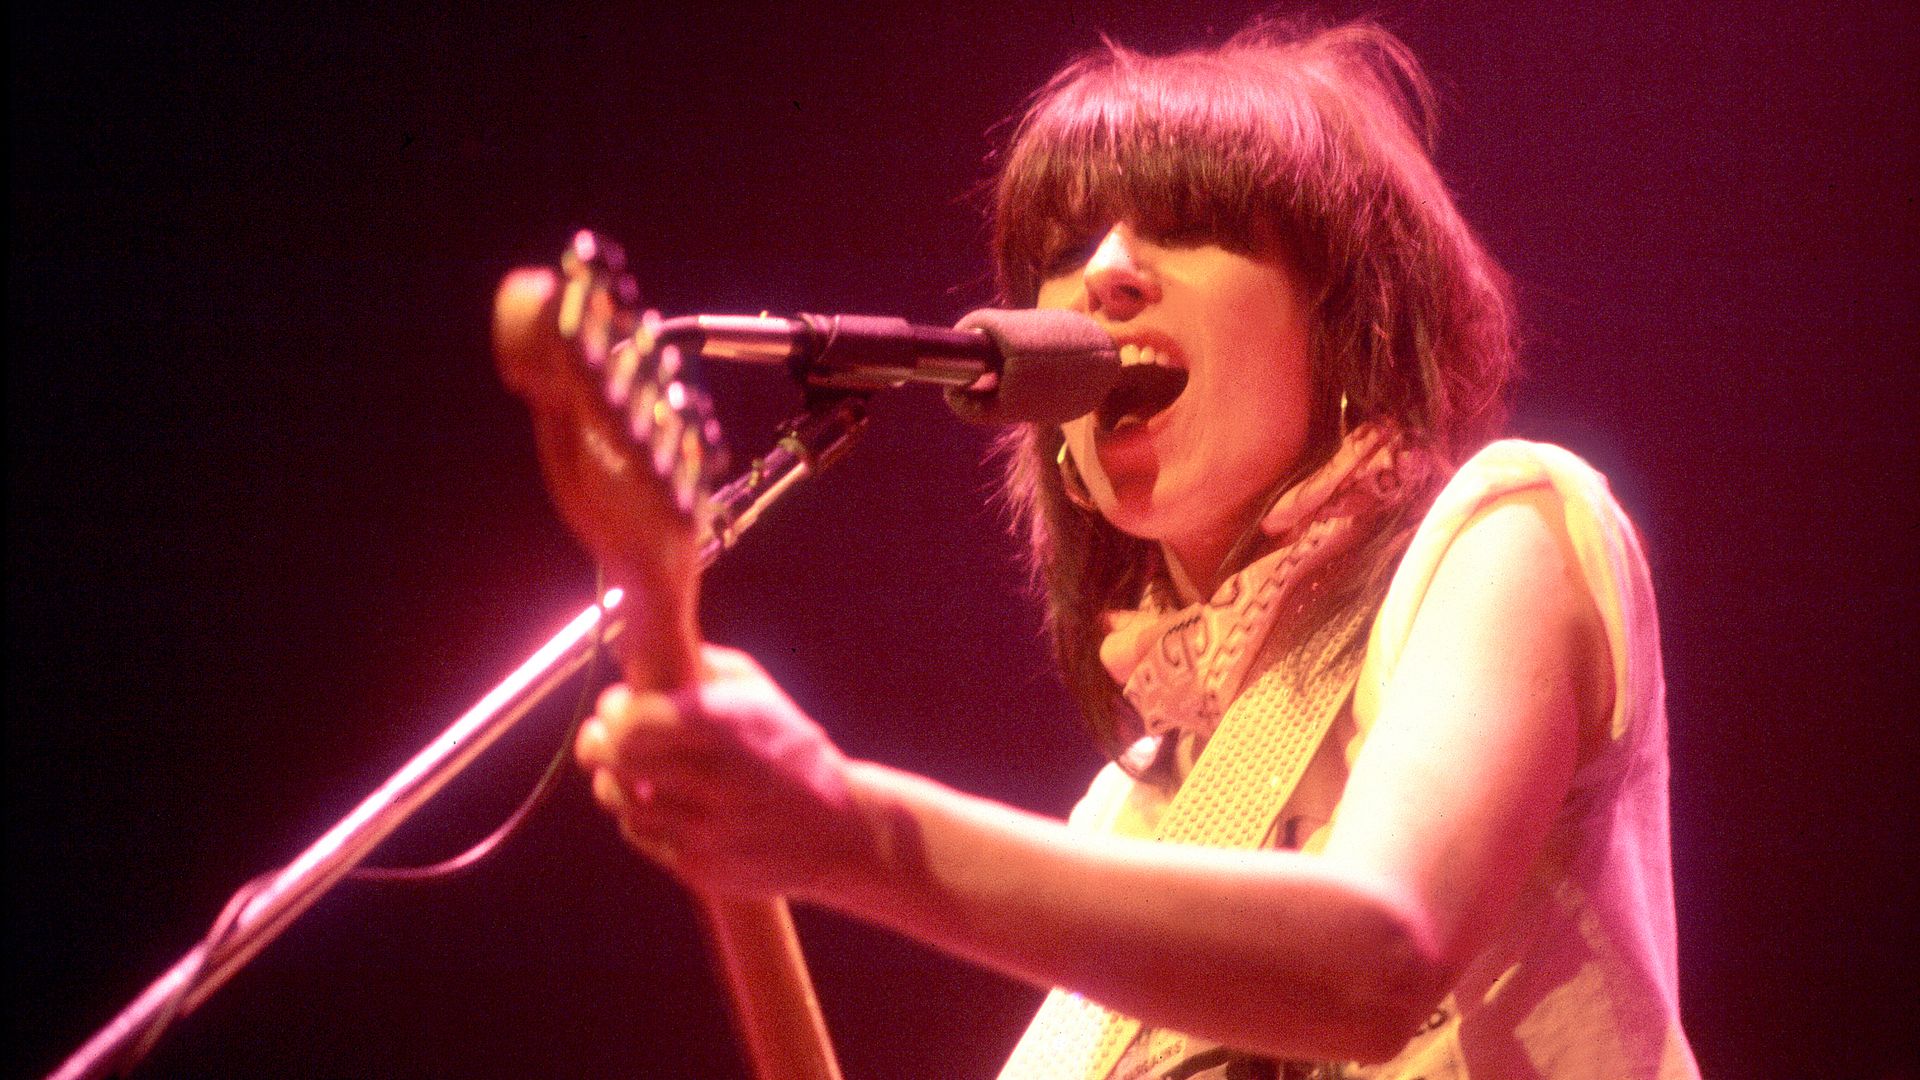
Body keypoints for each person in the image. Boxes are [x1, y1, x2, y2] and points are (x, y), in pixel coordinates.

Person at [523, 19, 1700, 1080]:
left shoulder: (1507, 533)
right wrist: (760, 866)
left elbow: (1375, 957)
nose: (1103, 272)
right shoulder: (1132, 817)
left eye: (1185, 226)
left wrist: (846, 829)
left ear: (1344, 320)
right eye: (1065, 246)